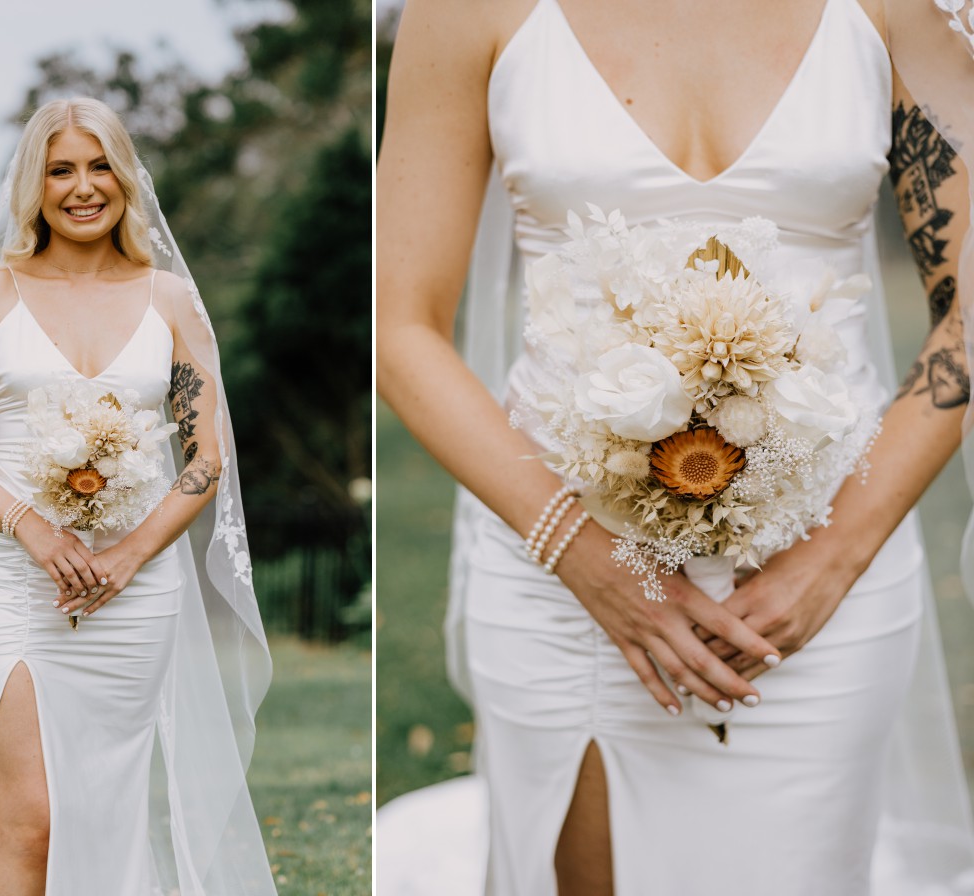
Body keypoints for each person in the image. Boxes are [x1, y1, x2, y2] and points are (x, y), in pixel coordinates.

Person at [377, 0, 974, 893]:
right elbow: (400, 324)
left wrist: (833, 561)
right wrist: (587, 561)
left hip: (827, 588)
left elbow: (966, 311)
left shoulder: (903, 6)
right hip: (562, 580)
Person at [0, 97, 276, 895]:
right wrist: (29, 526)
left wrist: (131, 556)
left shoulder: (170, 301)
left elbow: (205, 458)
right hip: (10, 585)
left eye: (100, 166)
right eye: (62, 169)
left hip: (134, 595)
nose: (84, 186)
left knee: (103, 808)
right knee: (32, 819)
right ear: (35, 185)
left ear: (128, 176)